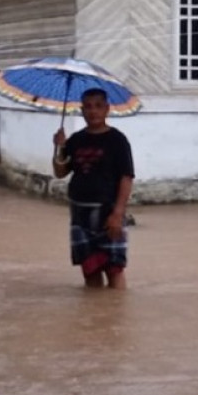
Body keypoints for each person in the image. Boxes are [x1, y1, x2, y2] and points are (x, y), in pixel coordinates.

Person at [52, 88, 135, 289]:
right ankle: (97, 316)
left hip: (108, 211)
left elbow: (127, 177)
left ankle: (116, 314)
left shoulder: (118, 140)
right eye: (88, 107)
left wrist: (118, 213)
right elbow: (60, 172)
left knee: (114, 269)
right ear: (82, 110)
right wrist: (59, 147)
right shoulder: (76, 140)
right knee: (90, 271)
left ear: (107, 109)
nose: (93, 111)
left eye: (98, 106)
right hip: (80, 213)